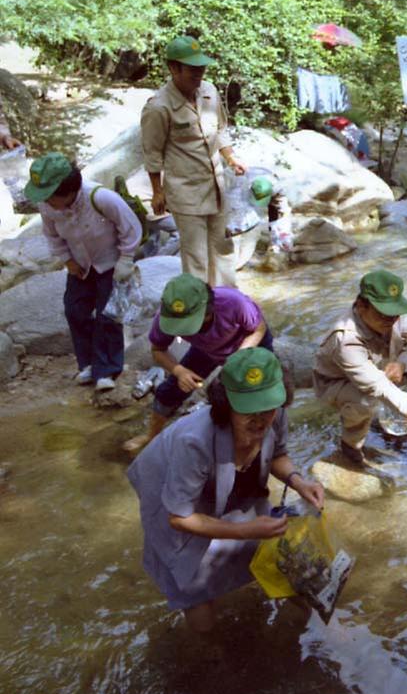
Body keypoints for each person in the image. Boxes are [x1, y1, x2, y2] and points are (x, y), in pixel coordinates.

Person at [126, 347, 324, 632]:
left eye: (267, 409)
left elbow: (278, 453)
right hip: (174, 495)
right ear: (225, 404)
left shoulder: (276, 414)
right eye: (248, 411)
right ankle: (209, 652)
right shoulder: (194, 441)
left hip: (230, 482)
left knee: (274, 551)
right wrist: (247, 530)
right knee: (192, 578)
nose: (260, 419)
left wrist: (298, 481)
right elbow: (180, 517)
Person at [313, 269, 407, 467]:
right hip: (340, 383)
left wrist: (403, 363)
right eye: (383, 314)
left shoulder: (393, 313)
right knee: (366, 399)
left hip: (384, 365)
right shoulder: (345, 337)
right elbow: (379, 387)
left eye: (394, 314)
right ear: (361, 305)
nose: (391, 320)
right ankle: (351, 444)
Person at [26, 153, 142, 392]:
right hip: (80, 266)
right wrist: (67, 261)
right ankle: (88, 364)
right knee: (75, 310)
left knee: (107, 316)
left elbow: (131, 228)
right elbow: (52, 235)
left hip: (111, 263)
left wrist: (126, 259)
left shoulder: (101, 198)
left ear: (68, 190)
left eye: (50, 196)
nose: (46, 202)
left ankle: (107, 370)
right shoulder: (48, 206)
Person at [140, 34, 246, 289]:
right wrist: (157, 191)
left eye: (202, 68)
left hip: (216, 185)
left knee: (222, 247)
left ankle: (227, 303)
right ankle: (200, 311)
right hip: (185, 191)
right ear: (173, 68)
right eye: (192, 69)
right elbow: (152, 152)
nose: (199, 74)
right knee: (196, 256)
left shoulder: (209, 91)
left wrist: (230, 157)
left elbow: (220, 129)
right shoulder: (159, 107)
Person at [125, 274, 274, 455]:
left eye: (187, 324)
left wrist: (240, 356)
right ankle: (152, 437)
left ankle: (261, 440)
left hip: (248, 344)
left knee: (261, 393)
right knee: (168, 392)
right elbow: (157, 350)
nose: (181, 329)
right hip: (205, 349)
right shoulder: (164, 318)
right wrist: (179, 370)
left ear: (209, 310)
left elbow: (259, 328)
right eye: (178, 324)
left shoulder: (233, 302)